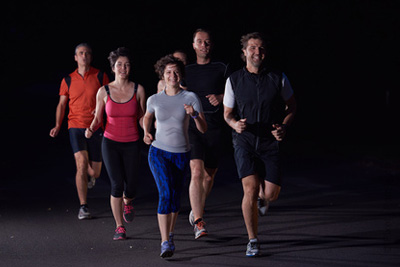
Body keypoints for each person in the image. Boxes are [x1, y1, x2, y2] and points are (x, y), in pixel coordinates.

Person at [223, 32, 297, 257]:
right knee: (250, 188)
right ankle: (252, 239)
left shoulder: (278, 77)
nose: (257, 52)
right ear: (244, 52)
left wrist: (283, 126)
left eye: (261, 48)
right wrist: (235, 124)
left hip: (269, 141)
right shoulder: (234, 79)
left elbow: (292, 106)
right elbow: (227, 114)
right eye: (252, 48)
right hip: (244, 141)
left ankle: (263, 199)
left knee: (271, 194)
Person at [143, 55, 207, 258]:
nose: (173, 75)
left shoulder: (190, 98)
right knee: (165, 194)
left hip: (181, 154)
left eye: (176, 71)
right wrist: (146, 131)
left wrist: (194, 115)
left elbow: (203, 128)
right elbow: (147, 116)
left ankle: (170, 233)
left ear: (181, 74)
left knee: (175, 199)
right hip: (158, 152)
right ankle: (165, 242)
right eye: (169, 71)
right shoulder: (154, 99)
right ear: (162, 74)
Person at [85, 47, 146, 240]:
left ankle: (128, 202)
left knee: (132, 186)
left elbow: (143, 116)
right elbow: (98, 118)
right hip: (110, 142)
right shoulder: (103, 91)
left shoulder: (139, 89)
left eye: (126, 65)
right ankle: (119, 227)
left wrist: (148, 131)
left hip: (133, 143)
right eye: (119, 64)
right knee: (116, 185)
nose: (123, 68)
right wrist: (91, 129)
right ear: (113, 68)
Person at [49, 43, 109, 220]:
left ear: (91, 57)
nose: (84, 56)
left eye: (87, 53)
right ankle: (83, 206)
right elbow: (61, 104)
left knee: (95, 172)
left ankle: (91, 177)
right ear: (75, 57)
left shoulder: (100, 75)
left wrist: (99, 111)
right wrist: (57, 125)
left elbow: (108, 99)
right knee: (81, 163)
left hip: (96, 126)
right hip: (75, 125)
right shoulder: (67, 80)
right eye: (81, 53)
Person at [185, 28, 230, 239]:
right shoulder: (186, 70)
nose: (204, 45)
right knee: (196, 171)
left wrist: (221, 97)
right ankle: (199, 221)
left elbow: (236, 91)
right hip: (193, 127)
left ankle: (197, 209)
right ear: (193, 45)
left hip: (215, 127)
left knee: (209, 175)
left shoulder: (222, 67)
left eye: (207, 42)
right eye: (200, 42)